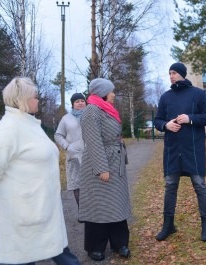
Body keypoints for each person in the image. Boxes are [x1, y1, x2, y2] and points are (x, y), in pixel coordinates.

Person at [0, 77, 80, 265]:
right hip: (23, 211)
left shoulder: (29, 124)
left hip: (42, 207)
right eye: (35, 96)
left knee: (58, 252)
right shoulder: (8, 128)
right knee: (25, 258)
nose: (38, 100)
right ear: (22, 99)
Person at [154, 62, 206, 242]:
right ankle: (168, 225)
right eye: (169, 73)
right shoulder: (166, 97)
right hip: (172, 150)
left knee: (200, 186)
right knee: (170, 186)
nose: (171, 76)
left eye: (174, 73)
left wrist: (190, 118)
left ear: (182, 74)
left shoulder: (197, 94)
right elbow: (157, 120)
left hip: (193, 150)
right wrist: (166, 125)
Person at [78, 78, 131, 261]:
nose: (114, 94)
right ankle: (95, 246)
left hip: (114, 162)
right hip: (99, 164)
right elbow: (93, 142)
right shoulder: (91, 111)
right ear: (102, 92)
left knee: (116, 203)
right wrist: (102, 168)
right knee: (99, 206)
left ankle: (120, 243)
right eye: (111, 91)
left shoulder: (107, 109)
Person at [54, 93, 87, 207]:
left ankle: (93, 212)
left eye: (82, 101)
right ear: (72, 104)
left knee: (92, 183)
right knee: (76, 183)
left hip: (91, 154)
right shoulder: (66, 119)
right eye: (77, 101)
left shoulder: (91, 116)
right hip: (74, 156)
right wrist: (68, 146)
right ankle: (81, 212)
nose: (80, 103)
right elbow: (58, 135)